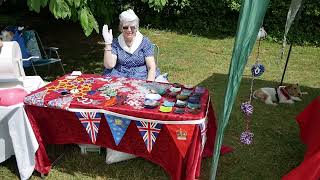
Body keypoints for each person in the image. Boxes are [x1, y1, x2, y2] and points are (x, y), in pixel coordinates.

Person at [102, 9, 165, 81]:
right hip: (120, 75)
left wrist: (149, 84)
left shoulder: (144, 42)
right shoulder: (116, 42)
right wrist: (108, 44)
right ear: (121, 28)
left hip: (142, 76)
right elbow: (109, 65)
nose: (129, 30)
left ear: (136, 28)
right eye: (125, 27)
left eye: (132, 27)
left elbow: (151, 67)